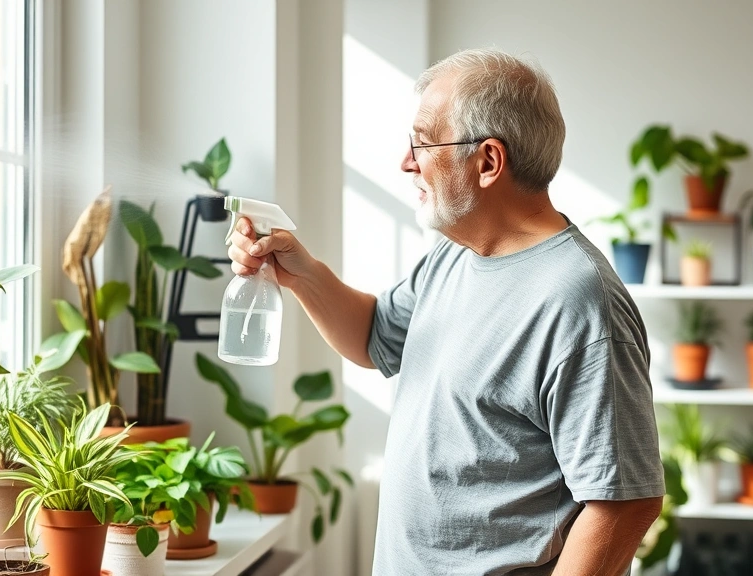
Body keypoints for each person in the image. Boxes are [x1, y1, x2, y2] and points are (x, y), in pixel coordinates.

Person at [227, 48, 665, 575]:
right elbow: (375, 338)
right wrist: (299, 272)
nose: (407, 161)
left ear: (488, 162)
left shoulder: (580, 302)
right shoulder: (456, 252)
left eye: (423, 141)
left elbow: (624, 503)